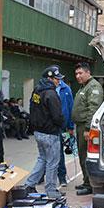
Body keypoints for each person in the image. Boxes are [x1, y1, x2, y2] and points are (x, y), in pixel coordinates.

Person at [24, 65, 64, 198]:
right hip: (50, 133)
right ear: (49, 79)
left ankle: (29, 185)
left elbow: (32, 108)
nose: (58, 81)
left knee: (42, 159)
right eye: (56, 79)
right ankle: (51, 190)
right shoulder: (51, 94)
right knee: (52, 162)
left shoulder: (37, 90)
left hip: (38, 132)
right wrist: (61, 126)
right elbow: (57, 116)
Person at [71, 62, 104, 196]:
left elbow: (93, 108)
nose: (78, 76)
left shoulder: (93, 86)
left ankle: (90, 185)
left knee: (87, 156)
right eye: (76, 74)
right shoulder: (84, 87)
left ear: (88, 72)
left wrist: (87, 128)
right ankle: (86, 181)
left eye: (80, 73)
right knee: (82, 155)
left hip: (86, 126)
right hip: (80, 126)